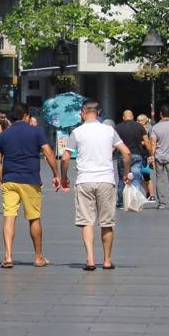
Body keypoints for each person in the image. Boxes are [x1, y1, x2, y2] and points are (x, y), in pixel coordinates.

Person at [61, 100, 131, 270]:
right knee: (106, 222)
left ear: (83, 112)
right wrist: (126, 173)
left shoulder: (77, 132)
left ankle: (90, 260)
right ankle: (107, 261)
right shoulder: (109, 130)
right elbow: (126, 152)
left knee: (87, 222)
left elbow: (65, 158)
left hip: (84, 180)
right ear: (98, 113)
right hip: (106, 180)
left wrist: (64, 177)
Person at [0, 104, 61, 268]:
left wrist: (3, 179)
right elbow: (48, 153)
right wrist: (56, 174)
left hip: (10, 179)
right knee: (34, 218)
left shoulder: (4, 135)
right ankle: (38, 257)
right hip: (30, 179)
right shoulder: (36, 131)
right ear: (26, 116)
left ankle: (8, 256)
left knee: (9, 217)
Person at [148, 104, 169, 210]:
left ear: (161, 114)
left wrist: (152, 156)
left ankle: (162, 203)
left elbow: (153, 143)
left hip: (159, 157)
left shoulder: (155, 127)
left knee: (159, 178)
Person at [113, 110, 149, 208]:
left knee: (122, 179)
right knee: (136, 178)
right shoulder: (139, 126)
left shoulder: (118, 127)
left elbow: (114, 143)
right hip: (137, 155)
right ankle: (134, 202)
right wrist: (150, 154)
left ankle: (121, 202)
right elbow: (146, 141)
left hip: (122, 155)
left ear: (123, 117)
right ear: (132, 117)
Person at [136, 114, 156, 202]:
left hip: (145, 154)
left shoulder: (149, 129)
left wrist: (151, 156)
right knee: (136, 175)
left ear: (145, 121)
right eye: (137, 120)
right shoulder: (136, 129)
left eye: (139, 120)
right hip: (137, 154)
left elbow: (151, 142)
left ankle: (152, 195)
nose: (137, 122)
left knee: (146, 175)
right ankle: (147, 192)